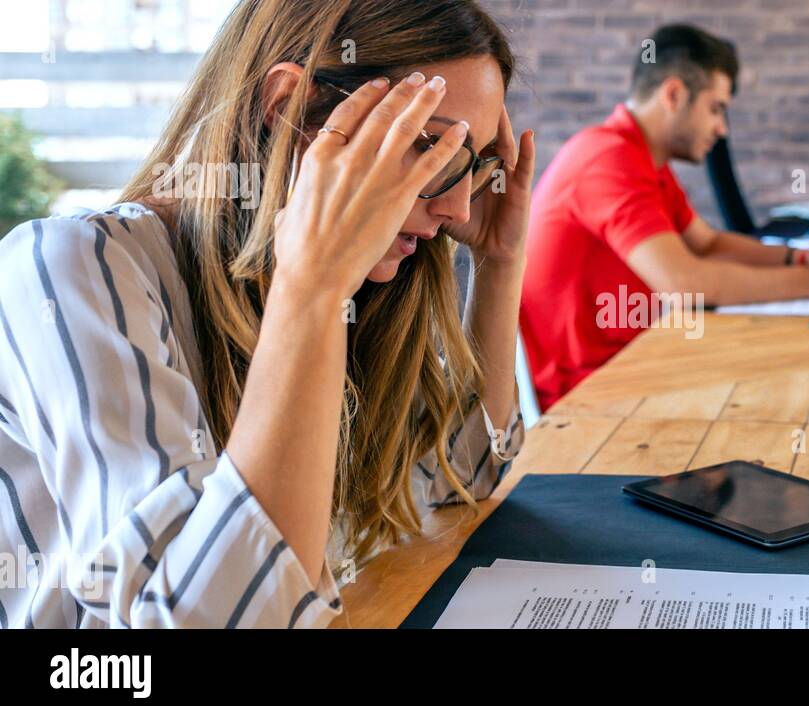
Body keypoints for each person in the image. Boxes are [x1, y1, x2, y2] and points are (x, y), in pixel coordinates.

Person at [0, 0, 533, 628]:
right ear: (286, 110)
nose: (459, 211)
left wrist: (500, 265)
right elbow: (205, 621)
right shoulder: (70, 269)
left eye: (471, 165)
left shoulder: (370, 290)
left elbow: (461, 479)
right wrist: (312, 289)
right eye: (428, 150)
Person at [520, 24, 809, 410]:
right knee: (790, 390)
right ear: (674, 94)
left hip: (634, 363)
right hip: (585, 397)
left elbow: (708, 244)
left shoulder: (640, 157)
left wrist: (804, 258)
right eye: (716, 108)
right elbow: (685, 283)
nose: (721, 128)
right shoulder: (608, 160)